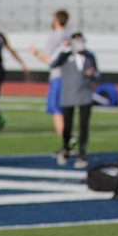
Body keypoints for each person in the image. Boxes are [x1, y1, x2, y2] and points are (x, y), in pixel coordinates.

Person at [51, 32, 98, 169]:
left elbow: (98, 73)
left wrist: (93, 73)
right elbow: (53, 64)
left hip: (85, 94)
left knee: (84, 126)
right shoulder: (65, 56)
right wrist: (63, 49)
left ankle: (82, 154)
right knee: (67, 126)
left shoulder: (90, 55)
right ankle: (66, 148)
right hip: (68, 95)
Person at [29, 10, 69, 140]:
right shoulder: (69, 35)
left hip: (57, 76)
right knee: (67, 111)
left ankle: (66, 144)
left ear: (57, 20)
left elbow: (49, 60)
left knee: (57, 111)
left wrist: (36, 53)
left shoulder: (54, 36)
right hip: (70, 77)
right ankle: (69, 143)